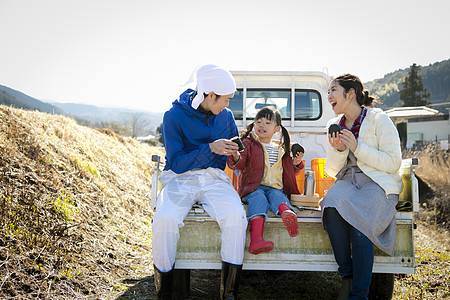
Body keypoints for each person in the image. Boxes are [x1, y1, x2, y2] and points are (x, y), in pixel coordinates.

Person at [152, 64, 248, 300]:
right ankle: (164, 293)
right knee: (164, 218)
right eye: (225, 99)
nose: (228, 105)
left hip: (214, 178)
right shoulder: (173, 116)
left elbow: (234, 160)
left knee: (236, 215)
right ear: (210, 95)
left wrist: (235, 156)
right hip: (179, 179)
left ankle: (229, 293)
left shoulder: (224, 117)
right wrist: (209, 148)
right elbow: (175, 162)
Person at [320, 74, 402, 299]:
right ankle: (347, 276)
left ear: (350, 94)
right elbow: (333, 171)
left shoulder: (379, 119)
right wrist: (338, 151)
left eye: (333, 90)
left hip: (377, 182)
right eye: (327, 92)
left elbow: (393, 162)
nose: (329, 96)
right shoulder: (333, 125)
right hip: (348, 180)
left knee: (361, 225)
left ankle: (359, 294)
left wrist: (358, 148)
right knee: (331, 206)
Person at [227, 106, 304, 255]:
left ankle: (286, 213)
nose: (262, 125)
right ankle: (256, 240)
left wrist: (296, 163)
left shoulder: (282, 148)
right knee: (259, 199)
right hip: (253, 188)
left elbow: (288, 171)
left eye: (267, 123)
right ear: (254, 125)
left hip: (275, 187)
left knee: (278, 197)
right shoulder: (248, 144)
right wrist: (236, 155)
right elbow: (240, 164)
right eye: (259, 122)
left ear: (276, 129)